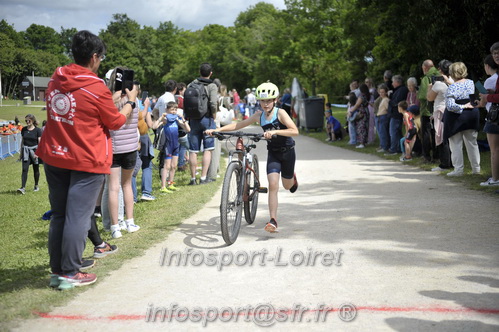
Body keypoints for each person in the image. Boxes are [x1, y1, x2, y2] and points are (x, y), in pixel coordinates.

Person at [36, 30, 136, 288]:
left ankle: (58, 271)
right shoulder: (95, 87)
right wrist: (130, 104)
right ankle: (70, 272)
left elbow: (79, 108)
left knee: (59, 215)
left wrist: (110, 99)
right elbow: (114, 121)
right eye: (101, 57)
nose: (100, 61)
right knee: (78, 216)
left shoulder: (55, 80)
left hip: (55, 155)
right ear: (93, 57)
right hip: (86, 158)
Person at [206, 82, 299, 233]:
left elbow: (294, 131)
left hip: (287, 152)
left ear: (275, 100)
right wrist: (217, 130)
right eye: (263, 101)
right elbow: (238, 125)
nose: (266, 104)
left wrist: (275, 132)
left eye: (269, 100)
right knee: (273, 185)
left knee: (288, 186)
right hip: (274, 153)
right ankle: (273, 220)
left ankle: (292, 178)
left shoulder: (280, 113)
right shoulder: (258, 115)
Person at [105, 67, 141, 239]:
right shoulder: (135, 101)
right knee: (127, 185)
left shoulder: (110, 101)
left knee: (113, 187)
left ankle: (114, 227)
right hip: (131, 148)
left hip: (113, 149)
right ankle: (130, 221)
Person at [444, 62, 480, 176]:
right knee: (472, 143)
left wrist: (462, 106)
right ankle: (476, 169)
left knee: (456, 144)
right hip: (471, 114)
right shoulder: (471, 83)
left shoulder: (451, 87)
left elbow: (450, 106)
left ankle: (458, 170)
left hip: (456, 117)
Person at [187, 63, 218, 185]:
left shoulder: (191, 84)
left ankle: (193, 178)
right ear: (211, 73)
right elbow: (213, 103)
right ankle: (203, 177)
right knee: (208, 149)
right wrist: (214, 115)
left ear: (199, 72)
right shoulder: (212, 86)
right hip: (207, 118)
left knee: (193, 150)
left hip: (193, 119)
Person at [153, 101, 190, 192]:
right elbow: (154, 127)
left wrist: (183, 119)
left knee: (174, 166)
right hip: (168, 145)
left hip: (175, 145)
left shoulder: (177, 120)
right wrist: (161, 118)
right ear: (167, 110)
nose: (174, 112)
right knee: (167, 166)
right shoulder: (165, 120)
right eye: (172, 110)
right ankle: (163, 186)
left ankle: (170, 183)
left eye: (175, 110)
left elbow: (188, 129)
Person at [427, 59, 453, 172]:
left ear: (440, 70)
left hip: (440, 112)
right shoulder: (452, 80)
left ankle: (444, 163)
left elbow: (429, 97)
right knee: (451, 138)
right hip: (451, 111)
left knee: (441, 137)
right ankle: (452, 162)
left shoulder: (438, 83)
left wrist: (429, 87)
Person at [478, 42, 499, 187]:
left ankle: (495, 179)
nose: (496, 56)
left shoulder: (491, 79)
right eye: (494, 53)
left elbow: (483, 102)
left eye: (498, 53)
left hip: (495, 116)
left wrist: (487, 97)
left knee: (494, 150)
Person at [418, 60, 440, 162]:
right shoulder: (440, 76)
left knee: (426, 134)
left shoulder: (426, 78)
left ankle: (426, 156)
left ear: (425, 67)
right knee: (437, 133)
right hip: (439, 109)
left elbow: (423, 96)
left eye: (423, 68)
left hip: (427, 111)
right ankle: (437, 156)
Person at [18, 114, 42, 194]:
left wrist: (38, 153)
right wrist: (21, 153)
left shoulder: (38, 130)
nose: (27, 122)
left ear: (33, 121)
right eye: (26, 120)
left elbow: (40, 142)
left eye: (29, 120)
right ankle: (23, 187)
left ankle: (36, 185)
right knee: (24, 169)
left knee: (36, 169)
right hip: (26, 151)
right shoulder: (24, 129)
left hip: (35, 151)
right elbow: (22, 142)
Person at [386, 75, 408, 155]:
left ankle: (394, 149)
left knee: (394, 132)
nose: (392, 84)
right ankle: (399, 148)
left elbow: (397, 102)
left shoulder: (402, 90)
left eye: (393, 82)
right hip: (394, 114)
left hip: (396, 114)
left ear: (397, 82)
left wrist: (390, 100)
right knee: (397, 132)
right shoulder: (398, 90)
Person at [349, 84, 371, 148]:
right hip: (366, 112)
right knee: (365, 127)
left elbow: (357, 105)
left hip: (362, 113)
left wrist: (351, 111)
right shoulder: (367, 95)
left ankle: (362, 143)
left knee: (361, 127)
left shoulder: (361, 96)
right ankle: (364, 141)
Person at [375, 84, 390, 153]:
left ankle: (385, 147)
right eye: (380, 92)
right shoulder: (382, 99)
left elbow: (387, 109)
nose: (381, 94)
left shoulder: (386, 100)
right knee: (381, 132)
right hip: (380, 116)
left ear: (386, 92)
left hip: (383, 116)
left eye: (383, 92)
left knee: (383, 132)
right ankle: (383, 145)